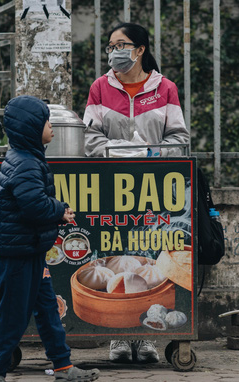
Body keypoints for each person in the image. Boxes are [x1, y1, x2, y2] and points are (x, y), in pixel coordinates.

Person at [83, 22, 190, 363]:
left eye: (122, 45)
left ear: (140, 49)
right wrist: (119, 152)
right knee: (117, 254)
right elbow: (90, 140)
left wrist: (153, 153)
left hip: (154, 190)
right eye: (110, 46)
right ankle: (118, 338)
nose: (115, 52)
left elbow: (179, 140)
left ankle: (146, 338)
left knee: (149, 261)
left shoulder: (166, 89)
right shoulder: (100, 88)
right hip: (111, 189)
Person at [0, 95, 100, 382]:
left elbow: (34, 204)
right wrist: (59, 210)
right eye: (47, 123)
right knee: (11, 316)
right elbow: (33, 206)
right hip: (17, 256)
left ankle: (63, 368)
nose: (51, 128)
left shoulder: (29, 158)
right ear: (31, 129)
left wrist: (56, 212)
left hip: (32, 251)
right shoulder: (24, 164)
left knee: (49, 310)